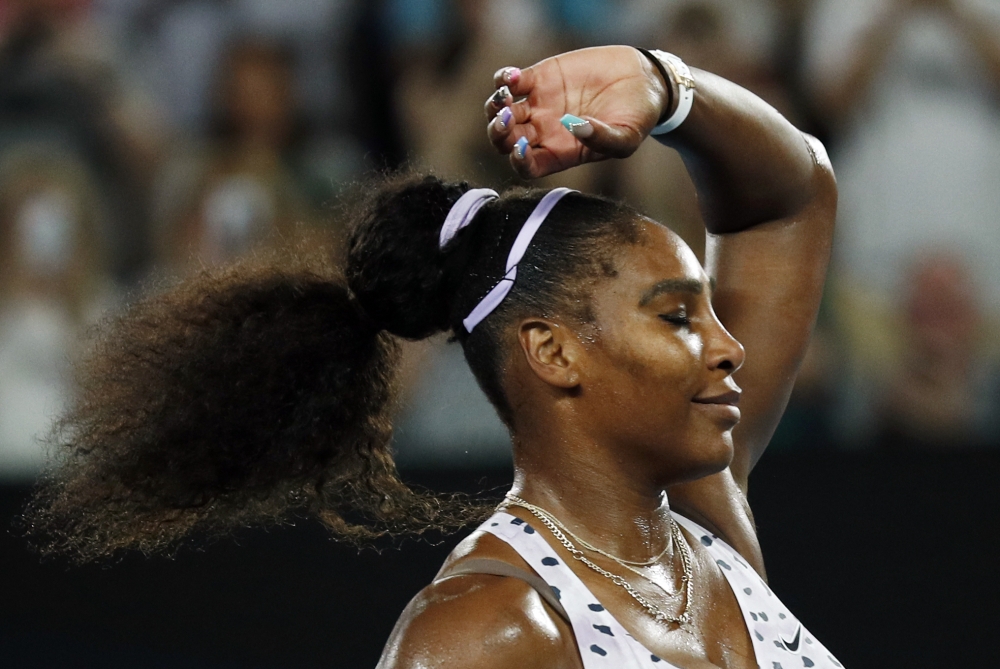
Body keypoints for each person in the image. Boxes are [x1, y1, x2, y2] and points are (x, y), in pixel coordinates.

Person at [25, 45, 838, 668]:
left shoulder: (704, 524)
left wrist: (663, 85)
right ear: (553, 351)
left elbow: (793, 192)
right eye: (677, 315)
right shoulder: (484, 631)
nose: (729, 346)